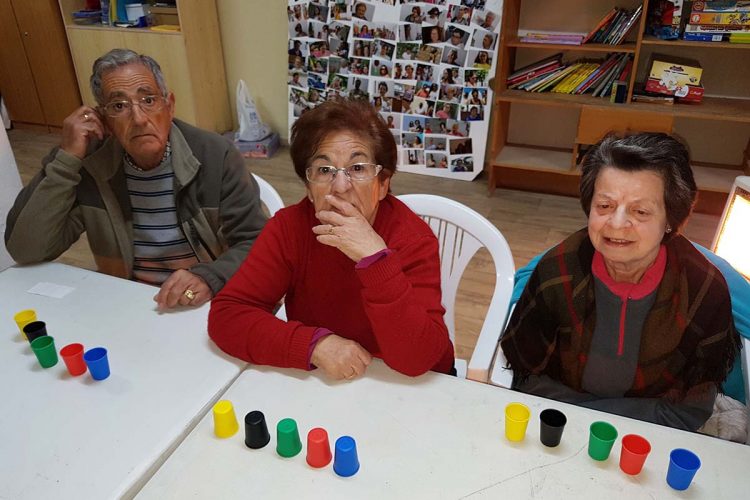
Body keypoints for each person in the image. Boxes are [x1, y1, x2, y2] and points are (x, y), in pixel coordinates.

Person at [500, 133, 740, 432]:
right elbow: (528, 380)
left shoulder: (705, 291)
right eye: (605, 206)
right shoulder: (556, 273)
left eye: (640, 211)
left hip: (652, 437)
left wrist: (596, 417)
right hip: (561, 426)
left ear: (671, 219)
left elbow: (689, 411)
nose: (616, 224)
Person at [208, 100, 455, 380]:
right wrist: (314, 345)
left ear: (383, 183)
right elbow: (227, 316)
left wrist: (376, 260)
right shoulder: (289, 228)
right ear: (309, 187)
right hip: (326, 380)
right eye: (324, 170)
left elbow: (418, 360)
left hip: (412, 385)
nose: (340, 186)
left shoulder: (412, 238)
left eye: (358, 168)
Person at [5, 49, 266, 310]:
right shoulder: (88, 163)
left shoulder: (215, 154)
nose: (139, 119)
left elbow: (257, 242)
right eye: (119, 106)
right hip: (128, 303)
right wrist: (66, 159)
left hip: (204, 301)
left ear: (169, 105)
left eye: (149, 100)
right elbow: (26, 249)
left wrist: (210, 276)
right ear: (103, 118)